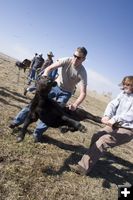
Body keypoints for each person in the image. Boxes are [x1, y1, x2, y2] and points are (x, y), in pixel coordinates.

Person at [9, 47, 88, 142]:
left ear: (83, 59)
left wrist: (75, 105)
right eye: (74, 56)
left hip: (66, 93)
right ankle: (16, 122)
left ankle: (37, 133)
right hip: (54, 87)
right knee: (33, 105)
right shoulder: (66, 60)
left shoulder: (83, 73)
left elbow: (83, 93)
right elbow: (50, 68)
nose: (75, 59)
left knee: (53, 114)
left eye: (78, 57)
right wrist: (45, 77)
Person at [69, 75, 133, 175]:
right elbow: (112, 104)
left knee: (104, 140)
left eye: (128, 85)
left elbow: (130, 115)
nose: (124, 86)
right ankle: (90, 157)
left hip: (128, 129)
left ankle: (82, 168)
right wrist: (107, 116)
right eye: (124, 84)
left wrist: (115, 118)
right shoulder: (123, 94)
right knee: (97, 136)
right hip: (115, 125)